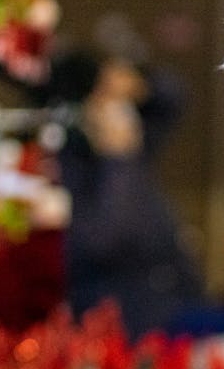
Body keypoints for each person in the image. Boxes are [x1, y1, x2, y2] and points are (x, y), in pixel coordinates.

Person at [46, 51, 205, 341]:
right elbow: (106, 238)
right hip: (128, 325)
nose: (118, 111)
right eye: (103, 100)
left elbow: (174, 98)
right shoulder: (72, 162)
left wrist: (140, 83)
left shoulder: (130, 149)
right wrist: (118, 157)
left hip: (179, 300)